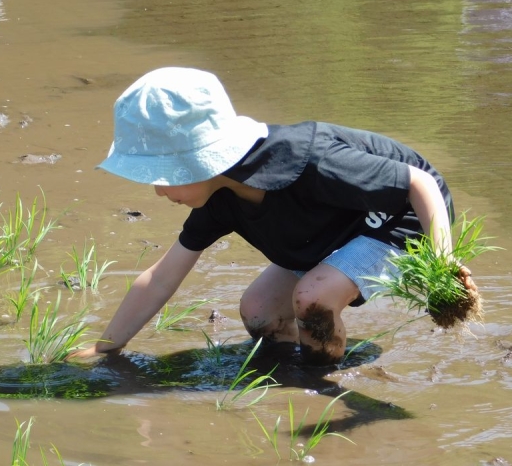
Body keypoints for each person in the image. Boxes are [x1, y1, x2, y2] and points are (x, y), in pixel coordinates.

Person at [73, 66, 462, 365]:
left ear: (200, 162)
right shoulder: (220, 195)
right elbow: (160, 277)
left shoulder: (308, 159)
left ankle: (318, 382)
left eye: (161, 176)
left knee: (313, 297)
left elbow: (420, 183)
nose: (158, 190)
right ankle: (289, 369)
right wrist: (105, 348)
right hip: (333, 227)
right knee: (258, 311)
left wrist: (443, 264)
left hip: (401, 219)